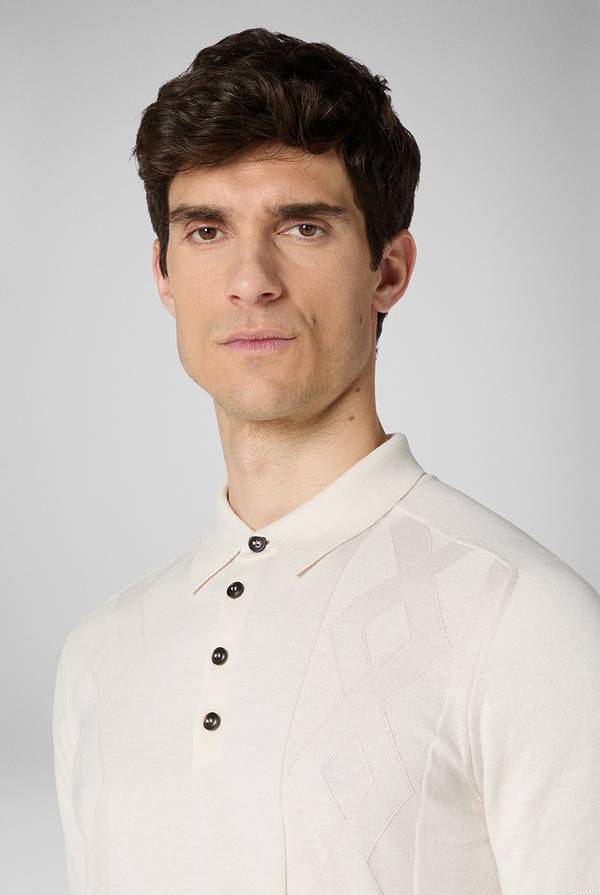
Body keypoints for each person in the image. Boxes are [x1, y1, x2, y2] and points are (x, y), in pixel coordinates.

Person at [52, 27, 600, 895]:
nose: (250, 280)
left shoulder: (527, 624)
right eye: (206, 230)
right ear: (162, 273)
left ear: (388, 271)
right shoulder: (98, 656)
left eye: (303, 226)